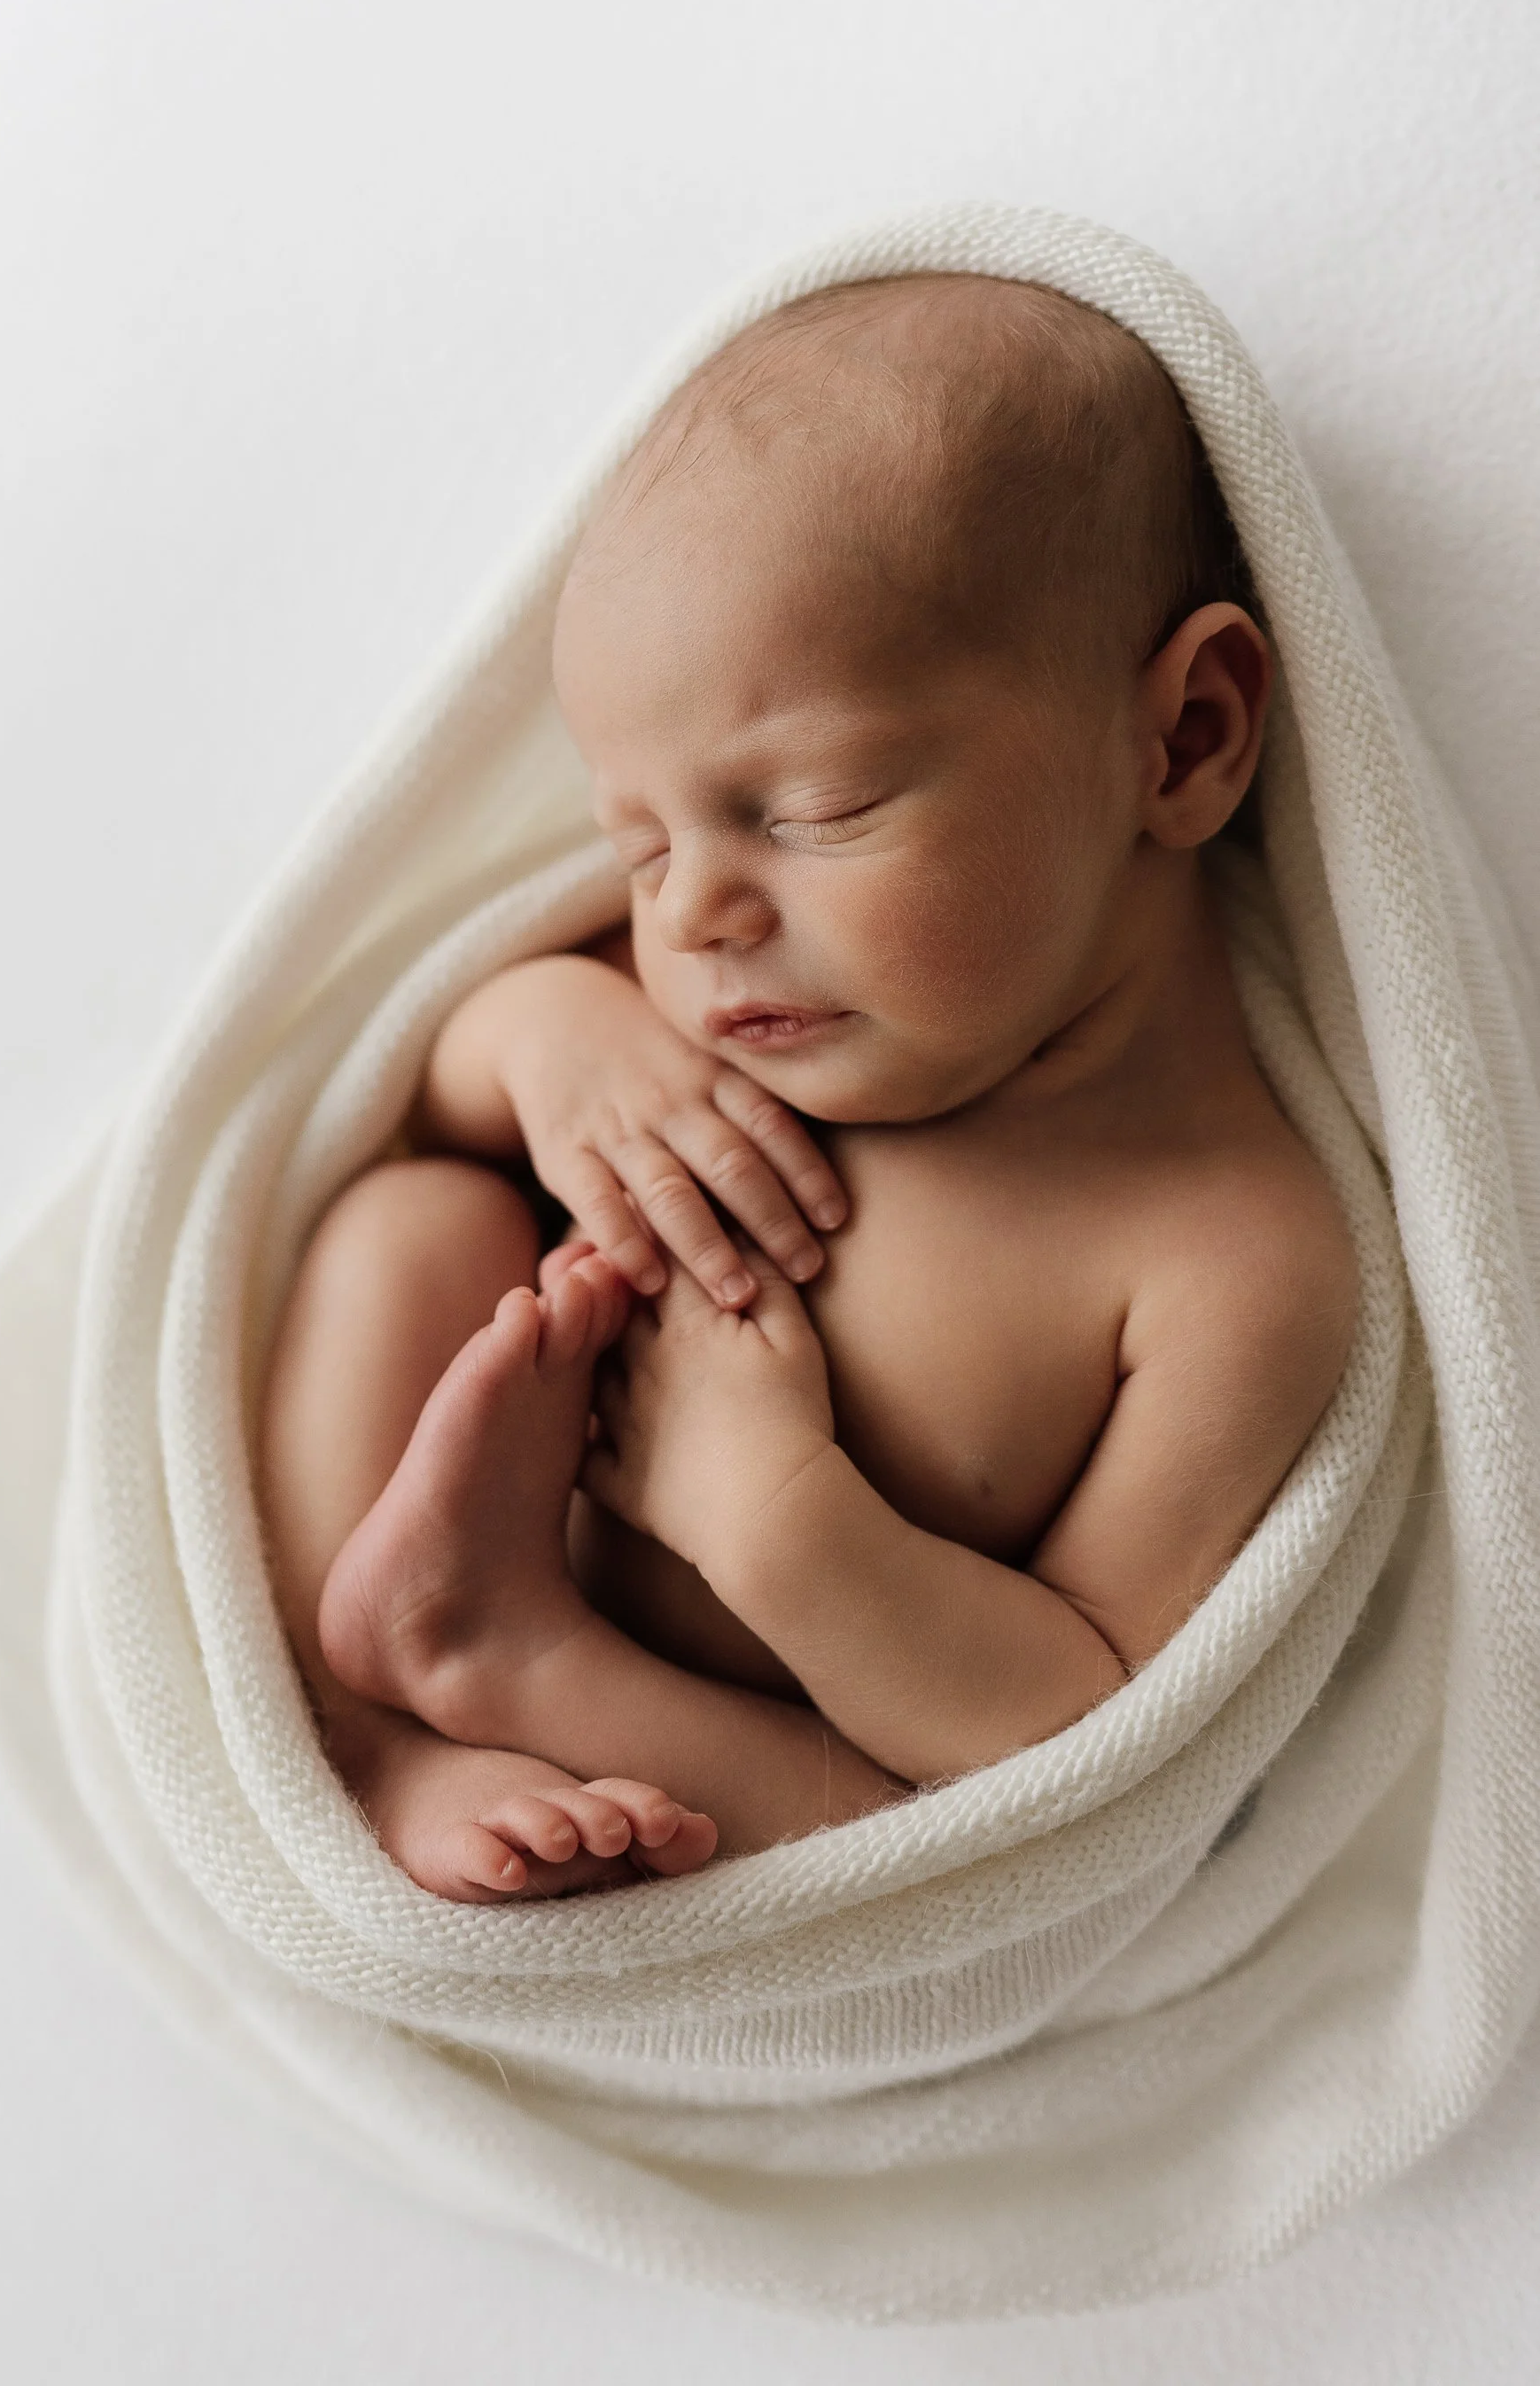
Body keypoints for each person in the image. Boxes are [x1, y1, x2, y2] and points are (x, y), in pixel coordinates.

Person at [258, 273, 1358, 1902]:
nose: (693, 914)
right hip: (476, 1507)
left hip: (718, 1741)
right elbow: (437, 1102)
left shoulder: (1233, 1257)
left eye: (816, 807)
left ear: (1186, 738)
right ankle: (367, 1739)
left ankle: (501, 1662)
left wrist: (767, 1512)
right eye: (639, 844)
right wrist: (554, 1033)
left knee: (925, 1844)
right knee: (404, 1225)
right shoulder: (721, 997)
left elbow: (1079, 1732)